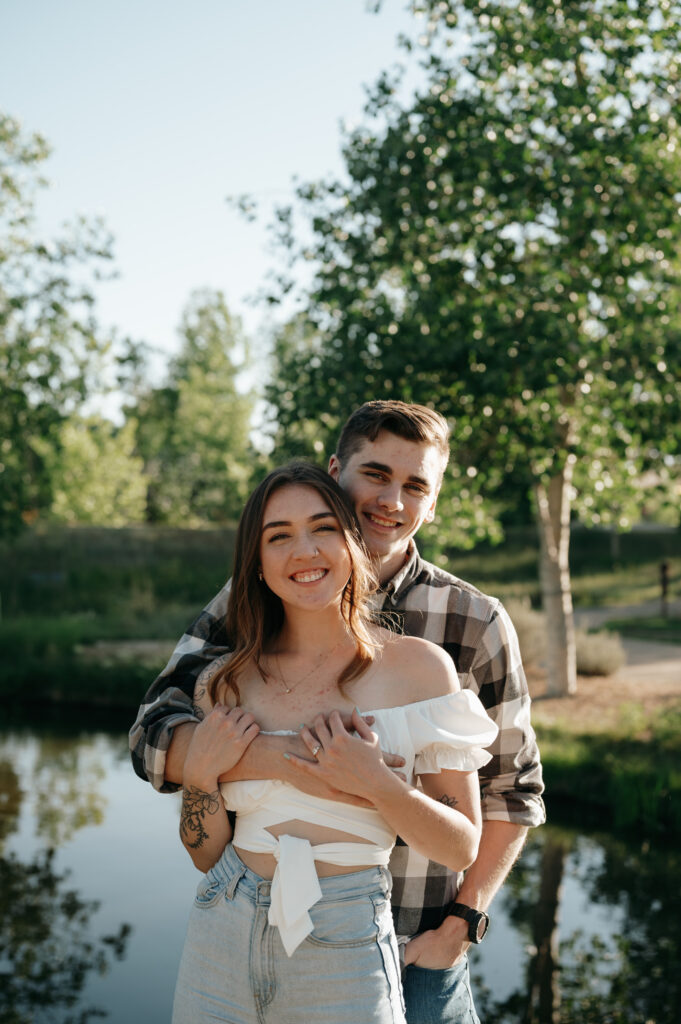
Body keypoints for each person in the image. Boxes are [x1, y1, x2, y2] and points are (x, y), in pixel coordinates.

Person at [130, 400, 545, 1024]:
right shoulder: (252, 609)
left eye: (415, 486)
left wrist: (462, 924)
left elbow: (512, 791)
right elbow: (154, 731)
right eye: (376, 474)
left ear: (433, 502)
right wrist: (282, 760)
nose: (393, 501)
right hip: (235, 922)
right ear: (335, 472)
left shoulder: (472, 622)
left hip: (415, 941)